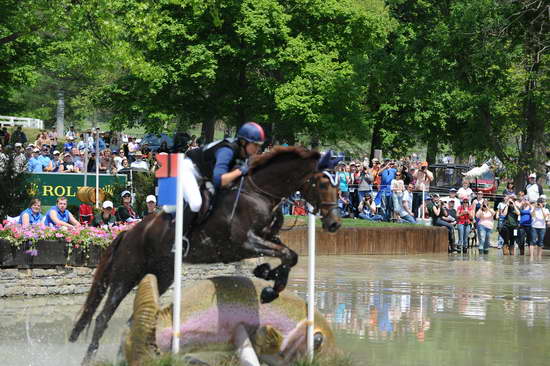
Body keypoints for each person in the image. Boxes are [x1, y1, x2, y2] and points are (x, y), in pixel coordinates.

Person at [182, 122, 265, 236]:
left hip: (205, 175)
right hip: (189, 169)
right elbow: (219, 180)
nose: (258, 148)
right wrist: (240, 171)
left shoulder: (243, 153)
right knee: (196, 203)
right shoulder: (227, 151)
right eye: (255, 145)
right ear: (243, 142)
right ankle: (179, 238)